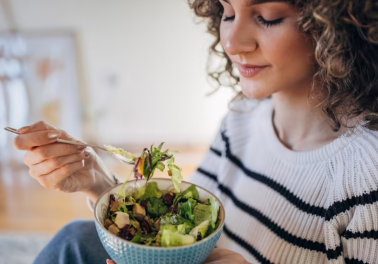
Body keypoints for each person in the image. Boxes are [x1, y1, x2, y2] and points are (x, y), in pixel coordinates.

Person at [13, 0, 378, 263]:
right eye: (228, 12)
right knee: (76, 238)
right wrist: (102, 184)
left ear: (336, 25)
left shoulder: (366, 175)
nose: (232, 42)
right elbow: (184, 228)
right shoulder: (241, 119)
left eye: (267, 17)